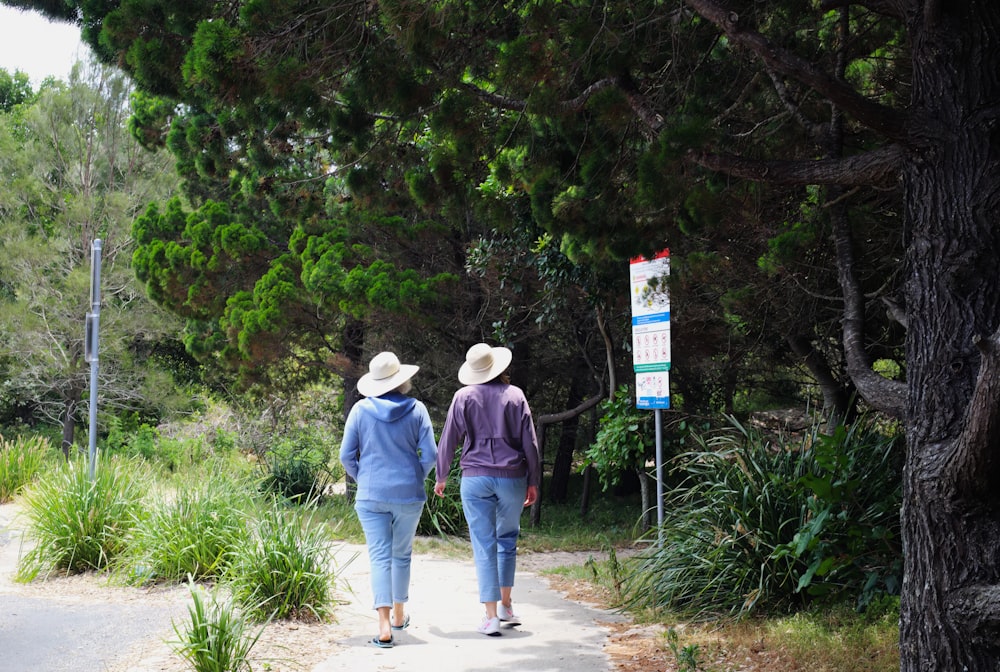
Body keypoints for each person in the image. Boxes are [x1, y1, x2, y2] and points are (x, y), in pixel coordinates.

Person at [433, 342, 541, 636]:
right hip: (512, 478)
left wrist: (441, 475)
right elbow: (530, 443)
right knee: (507, 538)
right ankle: (506, 605)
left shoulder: (463, 396)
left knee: (484, 544)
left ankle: (491, 616)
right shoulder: (515, 396)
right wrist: (533, 480)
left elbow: (449, 439)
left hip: (475, 478)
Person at [340, 351, 438, 649]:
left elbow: (346, 456)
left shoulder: (359, 410)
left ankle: (383, 626)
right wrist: (415, 476)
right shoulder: (417, 409)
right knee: (401, 554)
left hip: (371, 495)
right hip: (408, 494)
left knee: (379, 557)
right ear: (401, 380)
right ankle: (399, 614)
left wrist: (364, 479)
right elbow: (431, 455)